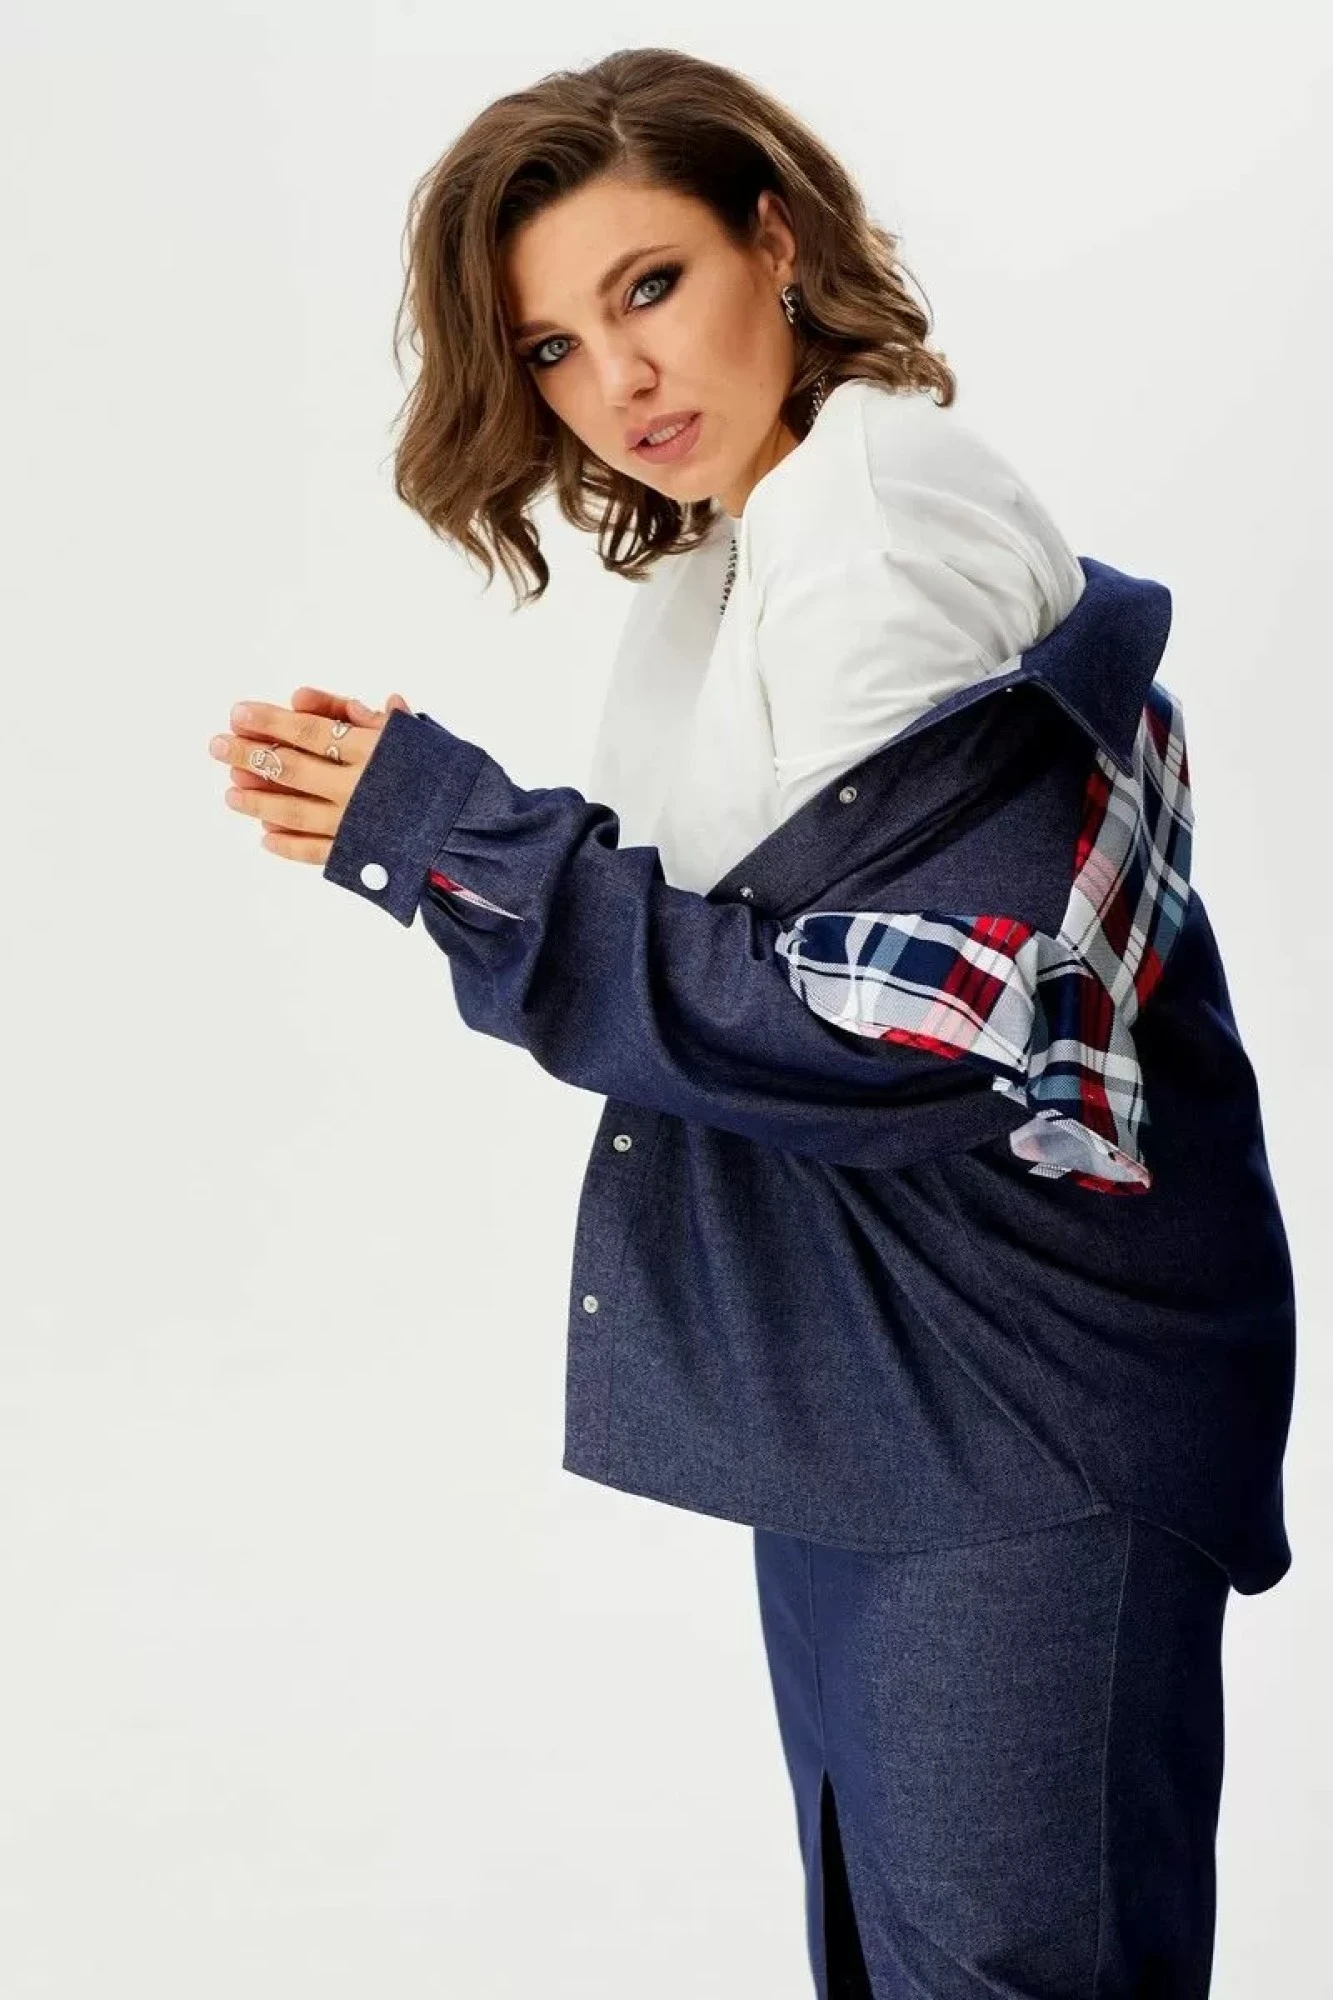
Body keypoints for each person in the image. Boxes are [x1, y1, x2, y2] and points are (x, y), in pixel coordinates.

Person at [206, 47, 1297, 1999]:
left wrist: (453, 838)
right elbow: (780, 939)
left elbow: (911, 1032)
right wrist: (450, 845)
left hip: (1023, 1408)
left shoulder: (876, 524)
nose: (621, 381)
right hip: (890, 1385)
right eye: (552, 348)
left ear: (773, 244)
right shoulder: (750, 536)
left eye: (651, 286)